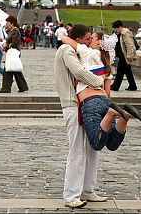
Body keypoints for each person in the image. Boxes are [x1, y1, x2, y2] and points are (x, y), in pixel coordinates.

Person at [54, 24, 108, 209]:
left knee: (92, 147)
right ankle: (71, 195)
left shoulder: (74, 49)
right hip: (72, 104)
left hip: (84, 103)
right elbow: (79, 72)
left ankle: (87, 191)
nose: (89, 42)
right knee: (77, 149)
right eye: (87, 39)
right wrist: (101, 81)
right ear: (78, 40)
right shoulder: (66, 50)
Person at [61, 32, 141, 151]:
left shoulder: (88, 52)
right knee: (112, 144)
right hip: (105, 101)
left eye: (92, 38)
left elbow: (64, 39)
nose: (89, 41)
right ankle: (124, 115)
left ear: (99, 43)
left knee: (97, 143)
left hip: (90, 102)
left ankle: (113, 113)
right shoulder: (107, 61)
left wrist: (67, 36)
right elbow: (107, 91)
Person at [0, 15, 29, 93]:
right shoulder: (11, 31)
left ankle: (6, 88)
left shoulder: (15, 31)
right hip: (11, 52)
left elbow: (15, 43)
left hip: (13, 52)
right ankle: (23, 87)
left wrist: (7, 45)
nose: (7, 24)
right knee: (15, 69)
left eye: (8, 22)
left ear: (12, 23)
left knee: (8, 70)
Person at [111, 20, 137, 91]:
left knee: (120, 71)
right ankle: (132, 85)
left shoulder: (125, 33)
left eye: (116, 28)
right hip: (123, 55)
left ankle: (115, 86)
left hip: (125, 56)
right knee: (127, 71)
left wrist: (129, 56)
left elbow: (130, 45)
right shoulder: (121, 33)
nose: (115, 30)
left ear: (120, 27)